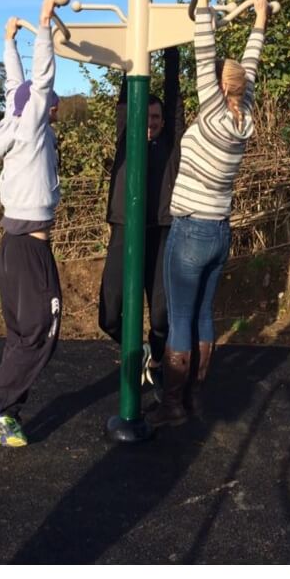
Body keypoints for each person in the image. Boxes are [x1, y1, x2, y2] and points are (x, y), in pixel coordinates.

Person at [145, 0, 270, 428]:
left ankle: (172, 405)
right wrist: (259, 20)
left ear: (219, 87)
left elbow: (204, 48)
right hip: (220, 232)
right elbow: (249, 67)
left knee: (181, 317)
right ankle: (194, 396)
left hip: (192, 230)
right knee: (202, 315)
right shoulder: (243, 116)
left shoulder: (215, 111)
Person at [0, 0, 64, 448]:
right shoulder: (32, 127)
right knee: (43, 331)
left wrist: (8, 42)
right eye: (51, 105)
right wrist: (44, 22)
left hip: (15, 245)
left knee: (22, 336)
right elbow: (40, 82)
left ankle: (6, 414)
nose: (54, 108)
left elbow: (15, 87)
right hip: (28, 246)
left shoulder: (15, 120)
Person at [97, 45, 184, 386]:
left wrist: (171, 48)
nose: (150, 123)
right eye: (145, 117)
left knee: (161, 317)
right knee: (108, 317)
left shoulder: (171, 142)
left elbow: (174, 96)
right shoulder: (126, 137)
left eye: (156, 118)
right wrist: (132, 50)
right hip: (125, 229)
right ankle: (140, 350)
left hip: (160, 232)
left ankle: (157, 358)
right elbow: (125, 101)